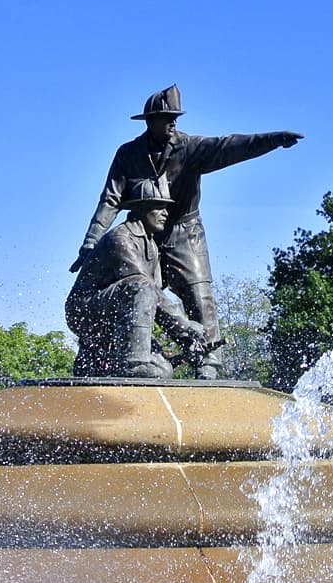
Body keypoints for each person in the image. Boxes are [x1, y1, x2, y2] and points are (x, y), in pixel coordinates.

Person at [69, 85, 302, 379]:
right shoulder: (128, 154)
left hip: (183, 230)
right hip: (145, 230)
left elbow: (230, 146)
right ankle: (101, 352)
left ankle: (209, 359)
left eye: (175, 117)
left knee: (197, 293)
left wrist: (273, 140)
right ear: (150, 121)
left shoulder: (190, 147)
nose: (173, 123)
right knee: (134, 290)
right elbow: (111, 199)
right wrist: (92, 242)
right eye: (167, 118)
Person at [65, 178, 206, 379]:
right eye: (159, 207)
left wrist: (186, 340)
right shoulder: (120, 238)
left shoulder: (152, 246)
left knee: (163, 371)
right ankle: (133, 363)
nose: (166, 213)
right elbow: (145, 287)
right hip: (83, 310)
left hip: (114, 312)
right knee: (141, 285)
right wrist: (185, 325)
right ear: (141, 208)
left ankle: (93, 361)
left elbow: (155, 303)